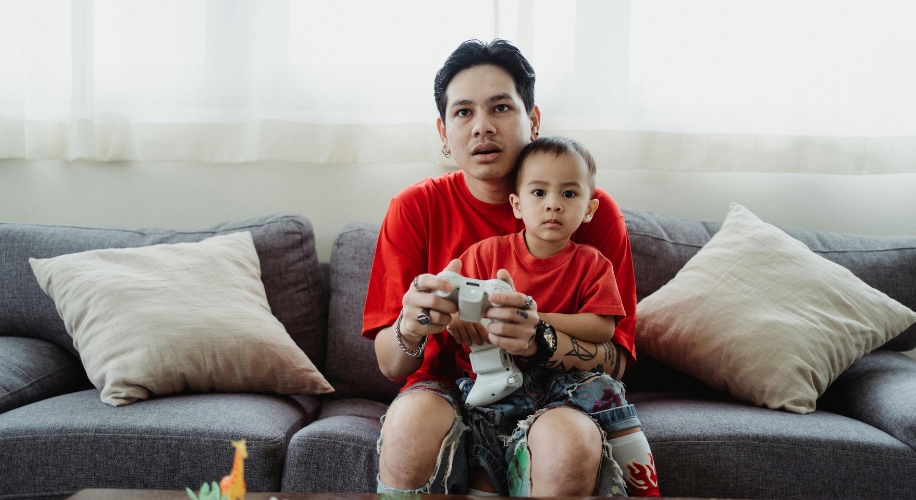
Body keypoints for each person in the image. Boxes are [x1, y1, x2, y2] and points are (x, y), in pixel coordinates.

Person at [362, 38, 646, 496]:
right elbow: (391, 365)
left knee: (568, 442)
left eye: (500, 108)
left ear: (532, 120)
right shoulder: (414, 207)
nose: (481, 128)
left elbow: (616, 363)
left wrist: (539, 336)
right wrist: (413, 326)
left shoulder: (589, 209)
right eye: (463, 113)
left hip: (554, 395)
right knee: (411, 423)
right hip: (445, 388)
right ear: (442, 131)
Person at [452, 135, 660, 497]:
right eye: (539, 193)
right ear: (516, 204)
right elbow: (455, 301)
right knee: (484, 445)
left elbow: (603, 326)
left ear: (590, 209)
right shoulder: (485, 254)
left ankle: (645, 489)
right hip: (498, 382)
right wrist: (457, 314)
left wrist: (535, 318)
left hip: (568, 381)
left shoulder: (594, 263)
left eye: (568, 194)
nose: (553, 205)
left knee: (608, 392)